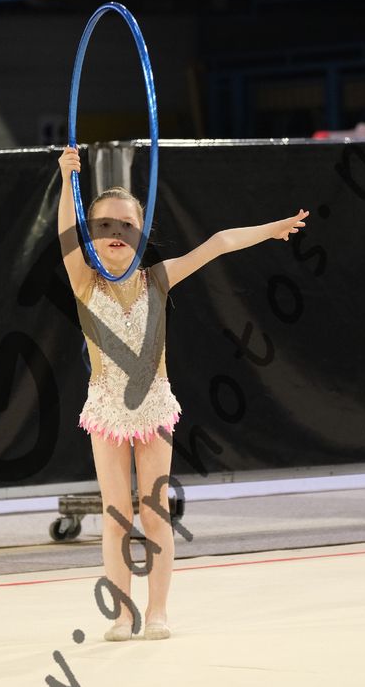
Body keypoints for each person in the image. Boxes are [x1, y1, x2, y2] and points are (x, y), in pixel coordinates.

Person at [57, 143, 308, 642]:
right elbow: (65, 233)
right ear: (90, 233)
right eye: (103, 224)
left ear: (142, 231)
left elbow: (218, 243)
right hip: (106, 408)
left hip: (153, 406)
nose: (115, 232)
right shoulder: (84, 281)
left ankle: (158, 611)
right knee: (115, 516)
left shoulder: (158, 278)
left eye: (126, 224)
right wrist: (67, 179)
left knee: (155, 513)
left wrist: (271, 230)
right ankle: (122, 615)